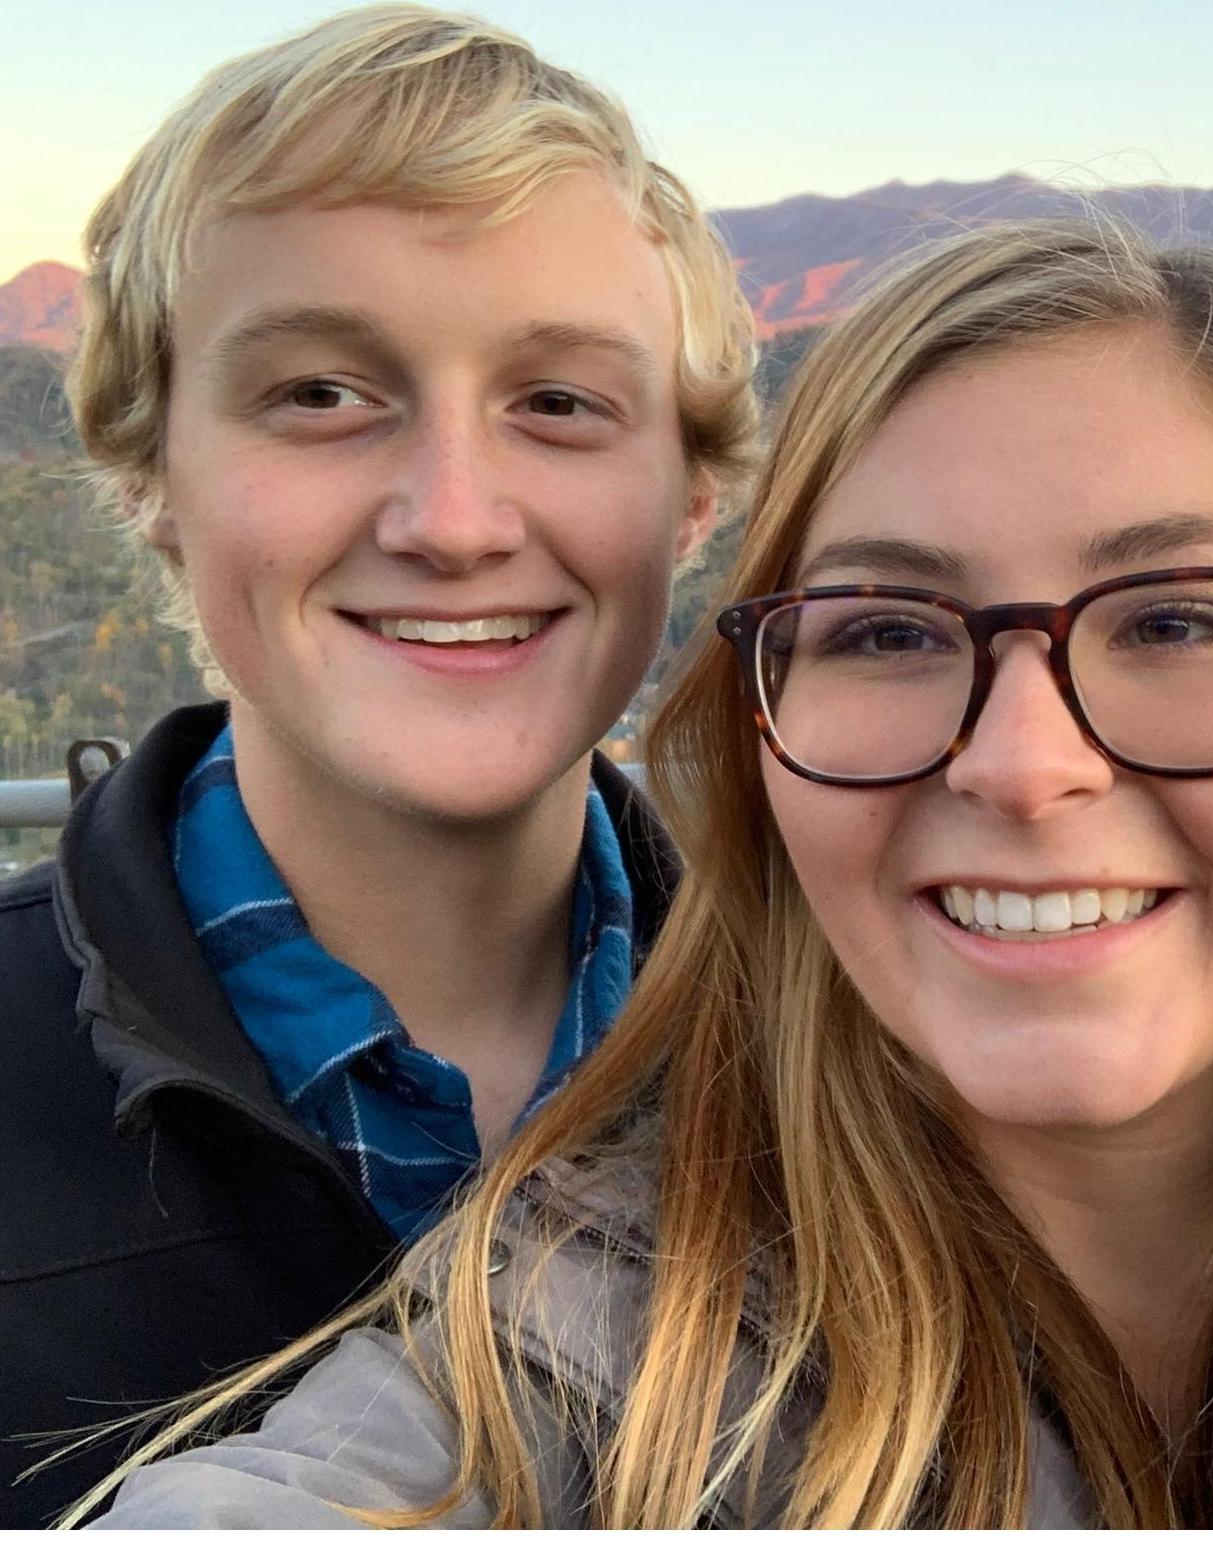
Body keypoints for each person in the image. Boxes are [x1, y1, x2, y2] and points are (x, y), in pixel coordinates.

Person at [84, 219, 1213, 1530]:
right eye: (891, 632)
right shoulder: (585, 1343)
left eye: (1176, 622)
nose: (1024, 766)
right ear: (763, 742)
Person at [0, 4, 758, 1526]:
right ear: (150, 473)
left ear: (692, 494)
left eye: (559, 403)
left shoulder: (876, 1073)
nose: (455, 519)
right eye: (321, 396)